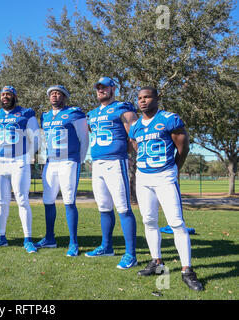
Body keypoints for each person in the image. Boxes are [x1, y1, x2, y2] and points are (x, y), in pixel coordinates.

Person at [129, 87, 203, 291]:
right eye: (140, 98)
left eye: (147, 97)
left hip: (164, 175)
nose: (143, 101)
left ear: (156, 98)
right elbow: (136, 147)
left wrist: (174, 169)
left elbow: (183, 146)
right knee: (149, 220)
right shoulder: (135, 126)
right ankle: (157, 261)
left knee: (177, 223)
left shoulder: (169, 119)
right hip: (143, 177)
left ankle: (187, 270)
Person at [85, 77, 138, 269]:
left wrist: (134, 155)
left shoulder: (122, 108)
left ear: (112, 89)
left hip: (116, 161)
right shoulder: (92, 113)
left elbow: (134, 135)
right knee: (104, 206)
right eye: (98, 88)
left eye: (104, 87)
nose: (101, 90)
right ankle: (106, 246)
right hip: (98, 163)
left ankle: (131, 254)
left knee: (123, 207)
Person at [34, 85, 89, 257]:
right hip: (51, 162)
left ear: (65, 97)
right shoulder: (45, 116)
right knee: (48, 200)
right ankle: (50, 238)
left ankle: (73, 242)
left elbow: (84, 139)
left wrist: (77, 160)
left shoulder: (74, 113)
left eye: (58, 93)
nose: (54, 96)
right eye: (52, 94)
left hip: (68, 161)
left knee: (68, 200)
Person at [0, 86, 40, 253]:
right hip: (0, 162)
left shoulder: (25, 113)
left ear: (15, 96)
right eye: (2, 94)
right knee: (1, 202)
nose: (5, 97)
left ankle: (28, 238)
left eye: (8, 94)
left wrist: (27, 157)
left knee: (22, 200)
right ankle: (1, 237)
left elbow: (35, 139)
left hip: (19, 161)